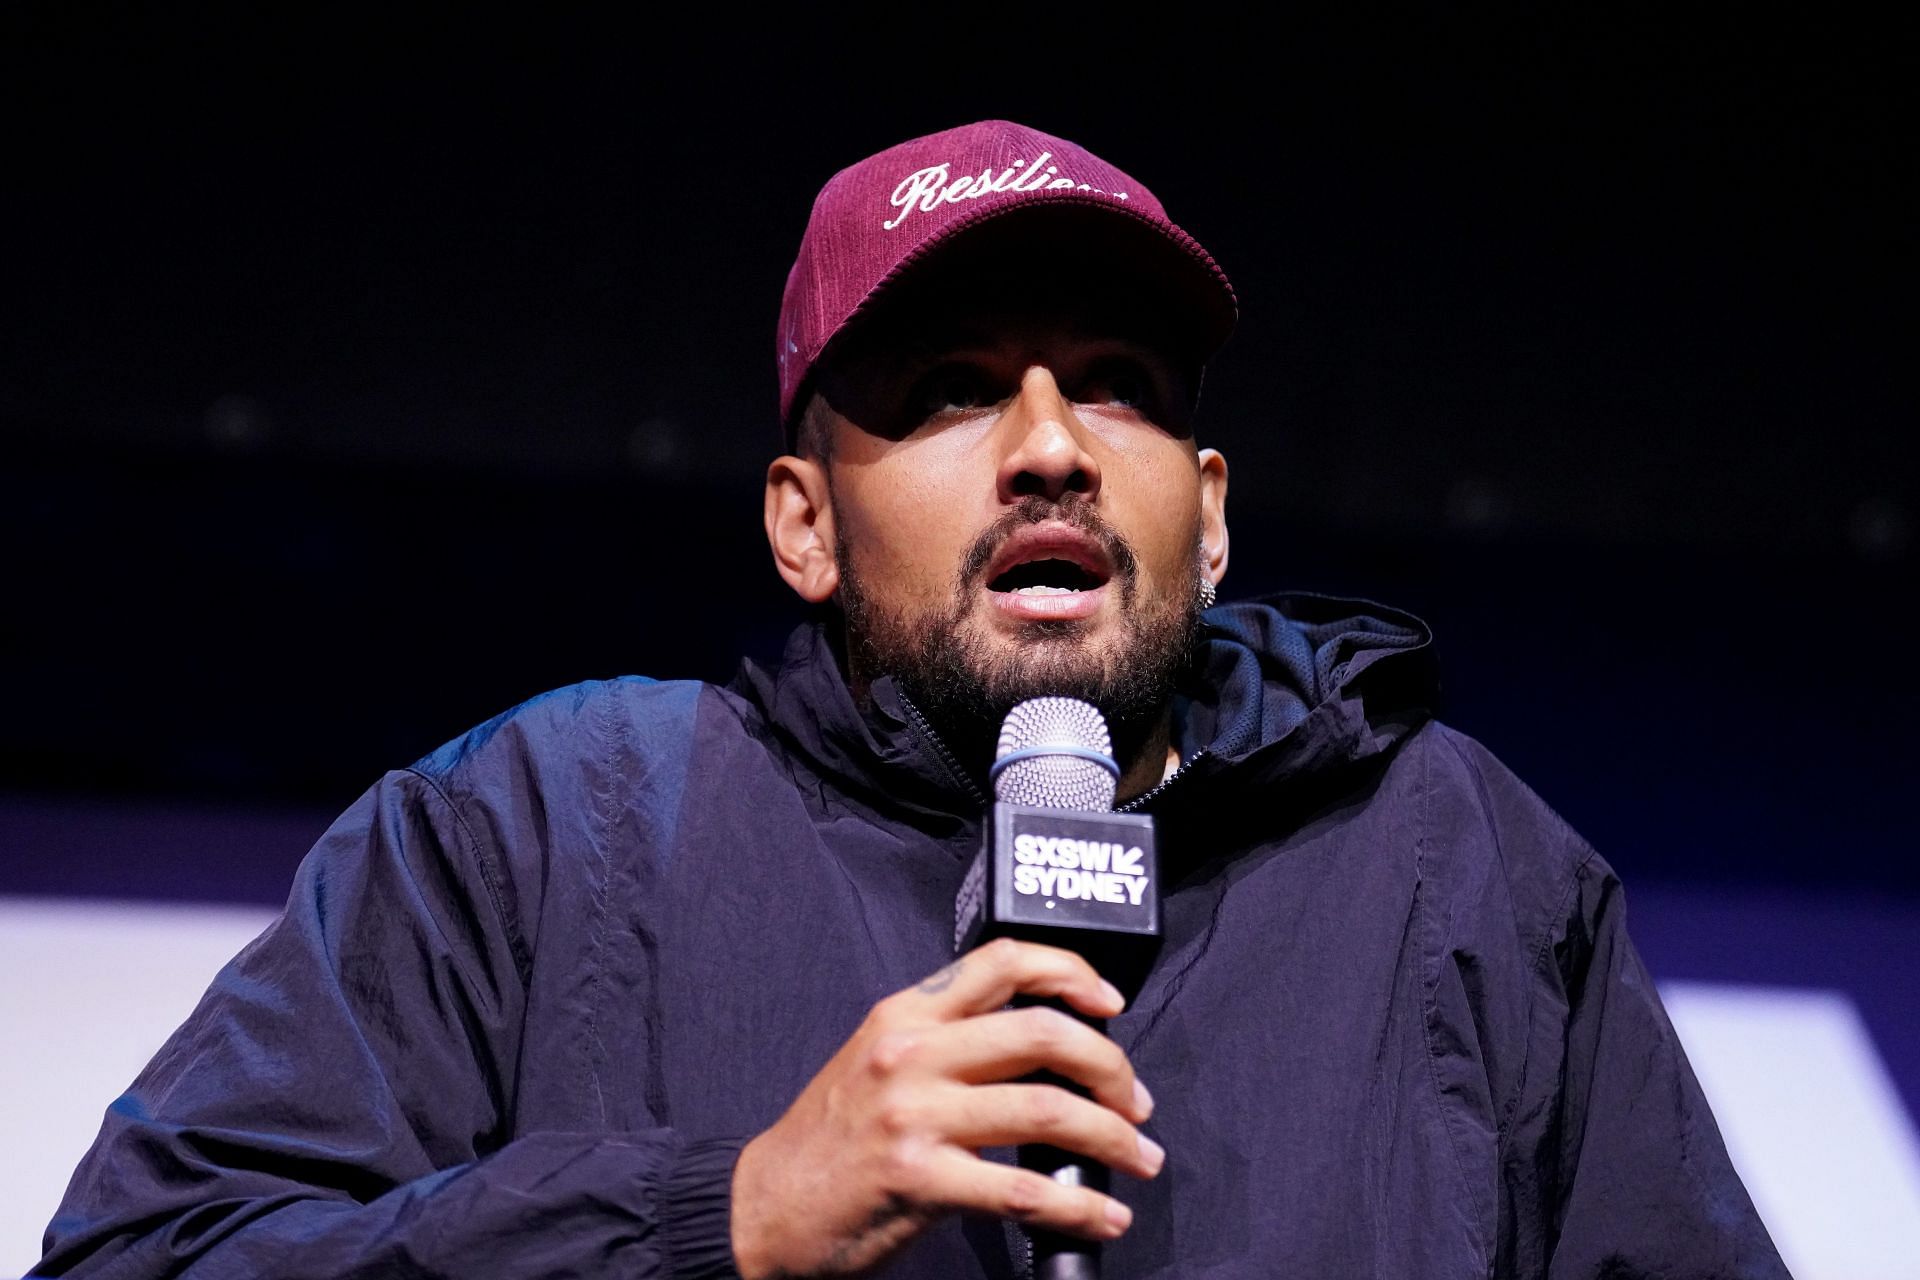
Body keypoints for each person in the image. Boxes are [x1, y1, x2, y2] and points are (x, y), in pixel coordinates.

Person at [39, 120, 1787, 1279]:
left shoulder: (1456, 859)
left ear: (1218, 506)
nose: (1046, 448)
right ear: (804, 524)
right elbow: (144, 1258)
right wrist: (713, 1215)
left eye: (1115, 391)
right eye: (951, 395)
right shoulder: (549, 827)